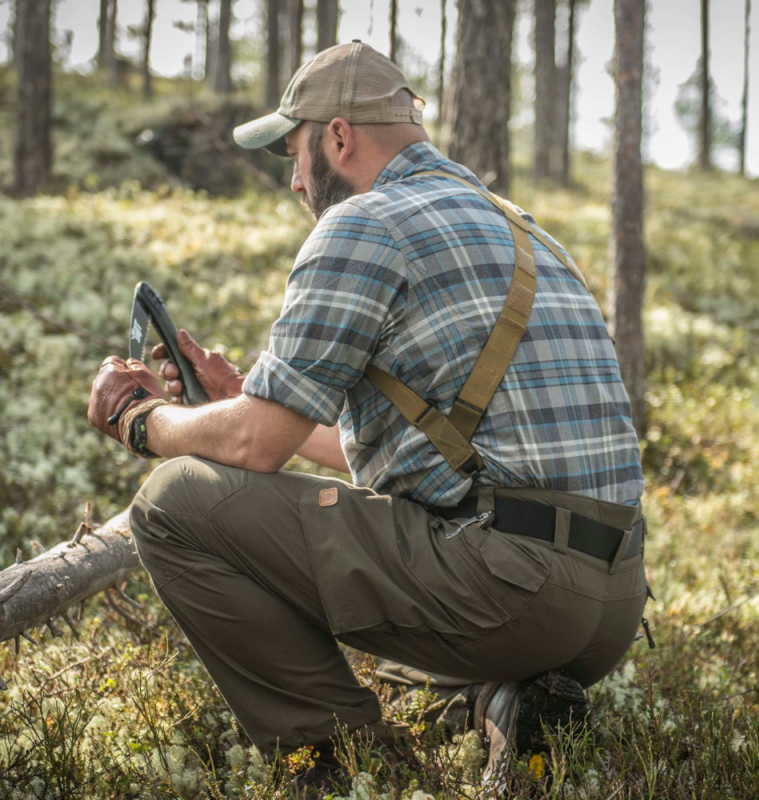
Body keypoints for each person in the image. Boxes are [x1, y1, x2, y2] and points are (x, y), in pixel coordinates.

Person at [88, 42, 648, 793]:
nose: (293, 180)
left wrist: (142, 420)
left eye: (294, 152)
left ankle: (339, 763)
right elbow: (430, 453)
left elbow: (256, 448)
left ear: (339, 137)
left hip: (516, 587)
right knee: (396, 654)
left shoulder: (364, 223)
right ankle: (504, 698)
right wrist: (234, 406)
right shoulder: (521, 226)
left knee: (172, 503)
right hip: (608, 604)